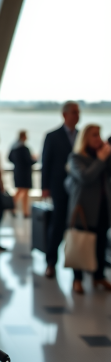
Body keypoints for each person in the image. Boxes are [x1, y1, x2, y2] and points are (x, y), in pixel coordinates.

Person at [65, 125, 111, 294]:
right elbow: (86, 177)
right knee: (80, 242)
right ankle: (77, 279)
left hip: (102, 207)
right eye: (94, 135)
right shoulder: (76, 157)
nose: (98, 139)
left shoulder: (105, 157)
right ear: (85, 138)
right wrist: (100, 160)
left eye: (99, 135)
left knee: (100, 243)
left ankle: (99, 276)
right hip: (83, 209)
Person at [42, 101, 80, 278]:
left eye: (78, 112)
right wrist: (45, 188)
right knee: (57, 225)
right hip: (58, 188)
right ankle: (51, 263)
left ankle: (78, 264)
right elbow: (46, 163)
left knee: (78, 226)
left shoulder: (82, 136)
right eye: (74, 112)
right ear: (64, 115)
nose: (77, 115)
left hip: (79, 191)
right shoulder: (52, 136)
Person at [9, 130, 37, 218]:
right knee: (24, 192)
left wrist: (17, 163)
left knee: (19, 191)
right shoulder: (25, 149)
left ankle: (13, 208)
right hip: (25, 173)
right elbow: (29, 161)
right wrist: (35, 159)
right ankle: (25, 211)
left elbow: (9, 158)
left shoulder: (14, 147)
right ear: (23, 136)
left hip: (17, 171)